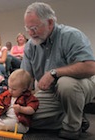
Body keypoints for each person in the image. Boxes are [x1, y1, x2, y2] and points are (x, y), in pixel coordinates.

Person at [21, 2, 95, 139]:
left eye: (34, 28)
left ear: (50, 23)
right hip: (51, 92)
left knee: (66, 84)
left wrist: (54, 73)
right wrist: (13, 100)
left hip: (80, 85)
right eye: (27, 28)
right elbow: (25, 78)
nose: (30, 33)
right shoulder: (30, 46)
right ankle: (72, 115)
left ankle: (72, 127)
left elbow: (90, 67)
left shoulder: (71, 35)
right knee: (23, 117)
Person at [0, 69, 39, 133]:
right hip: (4, 115)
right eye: (9, 87)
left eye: (14, 89)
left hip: (18, 122)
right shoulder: (8, 94)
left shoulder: (28, 97)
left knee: (7, 124)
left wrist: (21, 109)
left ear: (24, 89)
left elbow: (32, 109)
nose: (10, 90)